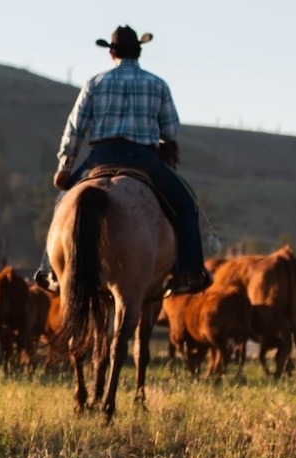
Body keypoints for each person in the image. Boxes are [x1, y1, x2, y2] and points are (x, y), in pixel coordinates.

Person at [34, 25, 212, 297]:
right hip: (144, 159)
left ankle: (51, 271)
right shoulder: (157, 84)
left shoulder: (95, 83)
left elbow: (75, 128)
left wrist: (65, 166)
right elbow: (171, 131)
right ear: (138, 53)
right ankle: (188, 272)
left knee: (63, 204)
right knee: (186, 205)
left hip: (101, 157)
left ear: (112, 54)